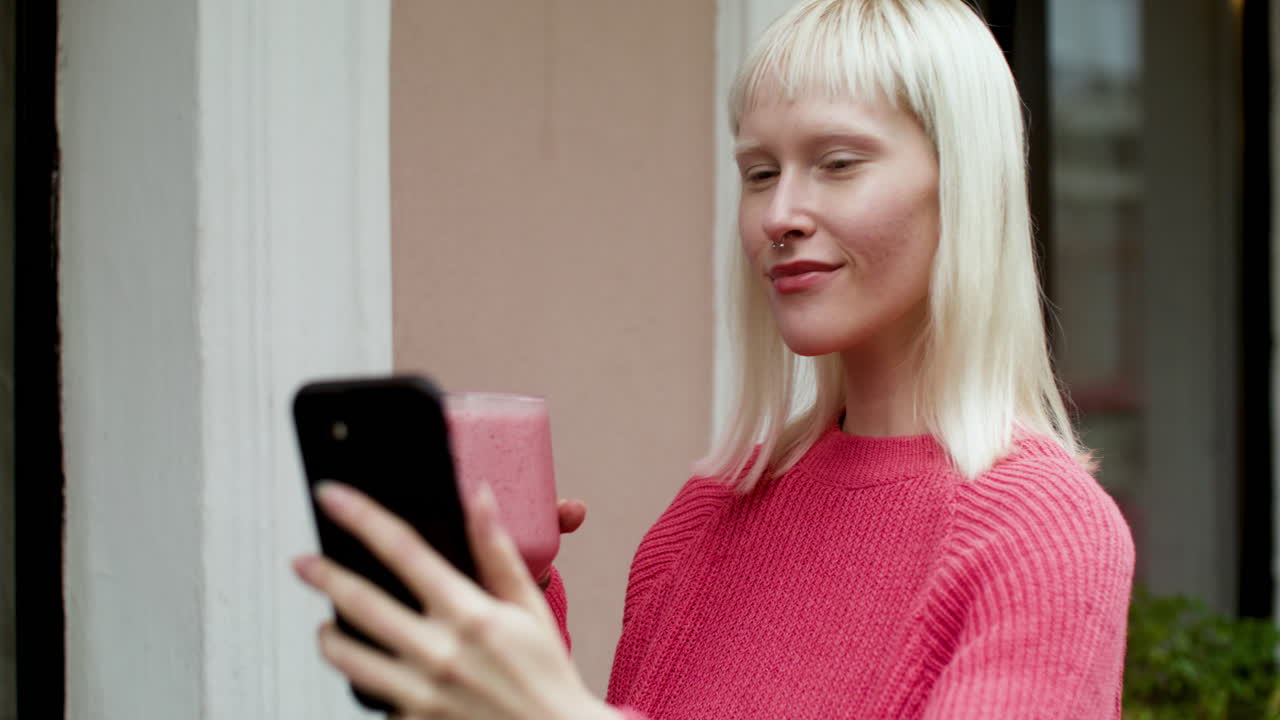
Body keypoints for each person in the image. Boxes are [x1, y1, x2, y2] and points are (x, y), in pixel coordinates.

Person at [291, 0, 1136, 717]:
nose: (781, 213)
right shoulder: (704, 520)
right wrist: (506, 615)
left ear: (966, 185)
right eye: (759, 173)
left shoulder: (1042, 535)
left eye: (837, 164)